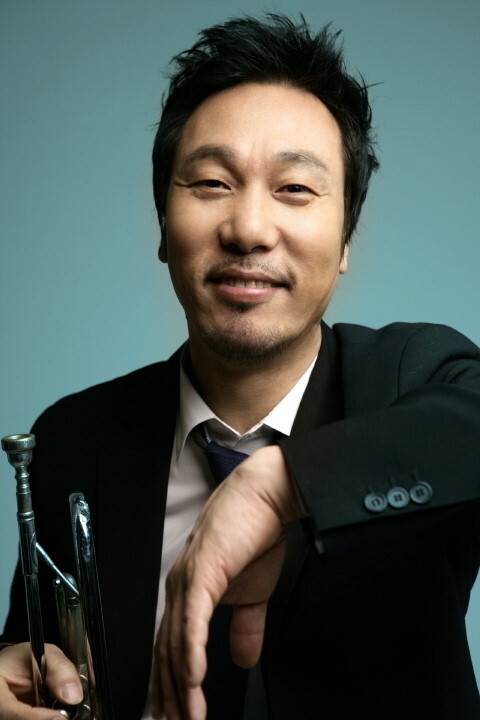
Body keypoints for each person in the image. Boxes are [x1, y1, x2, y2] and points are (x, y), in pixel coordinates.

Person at [1, 13, 480, 720]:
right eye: (211, 182)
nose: (249, 229)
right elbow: (35, 656)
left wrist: (281, 486)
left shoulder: (414, 375)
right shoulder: (72, 439)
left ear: (345, 240)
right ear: (163, 225)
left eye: (295, 189)